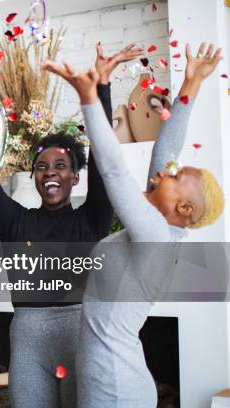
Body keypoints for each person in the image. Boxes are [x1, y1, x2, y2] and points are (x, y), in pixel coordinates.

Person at [0, 43, 145, 407]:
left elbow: (105, 161)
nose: (50, 173)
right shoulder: (17, 223)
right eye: (42, 167)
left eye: (60, 166)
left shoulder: (92, 218)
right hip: (28, 344)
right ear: (34, 176)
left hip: (81, 340)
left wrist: (102, 87)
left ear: (75, 178)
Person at [42, 42, 224, 407]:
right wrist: (191, 84)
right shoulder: (161, 228)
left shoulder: (155, 235)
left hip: (113, 387)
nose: (165, 171)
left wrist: (89, 97)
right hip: (112, 378)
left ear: (184, 206)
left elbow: (112, 169)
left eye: (174, 176)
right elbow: (166, 151)